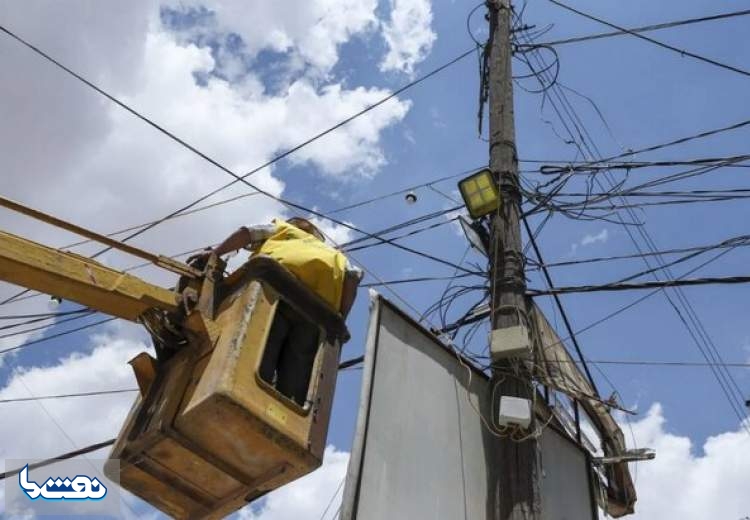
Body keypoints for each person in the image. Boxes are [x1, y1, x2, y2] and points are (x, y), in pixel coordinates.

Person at [189, 217, 362, 405]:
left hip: (274, 286)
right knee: (297, 370)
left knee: (261, 348)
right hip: (317, 312)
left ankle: (247, 397)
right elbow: (352, 279)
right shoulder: (338, 256)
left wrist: (215, 253)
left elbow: (247, 232)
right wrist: (339, 318)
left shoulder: (283, 229)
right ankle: (281, 408)